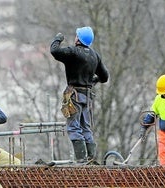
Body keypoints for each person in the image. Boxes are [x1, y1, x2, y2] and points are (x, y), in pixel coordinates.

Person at [50, 26, 109, 163]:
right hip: (87, 97)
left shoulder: (73, 52)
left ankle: (82, 160)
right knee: (86, 127)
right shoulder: (95, 56)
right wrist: (93, 80)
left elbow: (55, 51)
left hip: (74, 95)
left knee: (74, 127)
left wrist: (58, 39)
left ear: (78, 38)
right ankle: (91, 158)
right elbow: (104, 77)